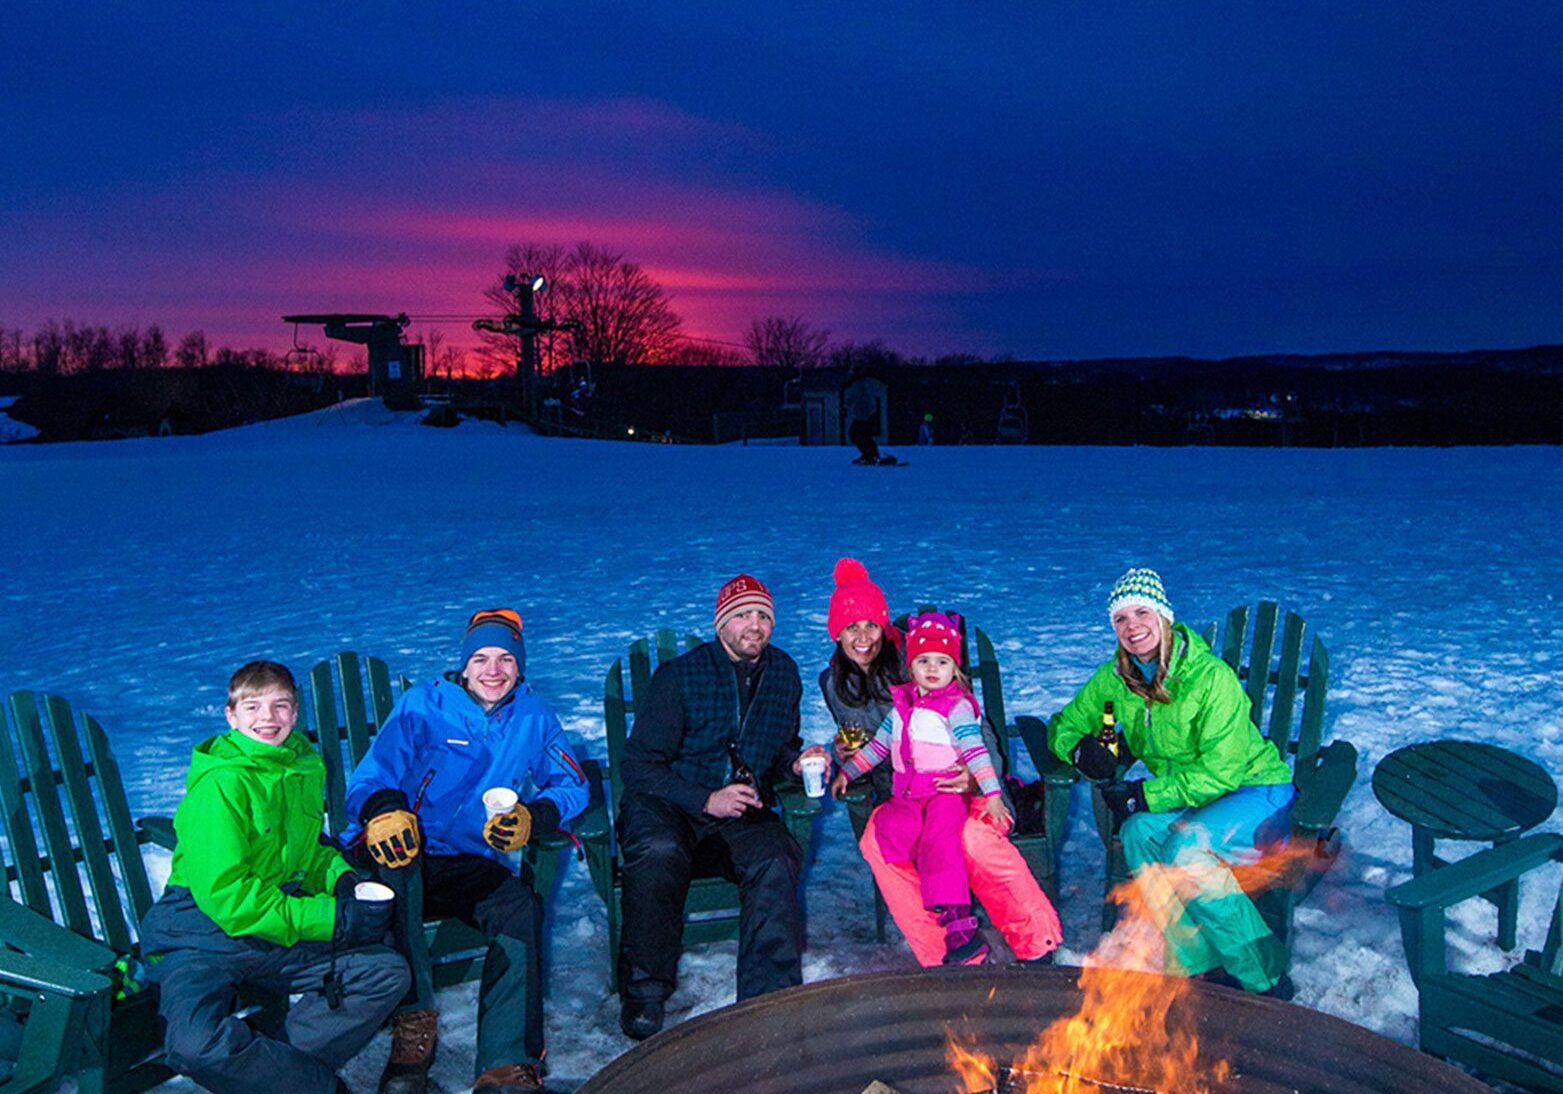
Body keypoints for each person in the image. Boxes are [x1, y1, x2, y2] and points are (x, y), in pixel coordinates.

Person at [343, 609, 590, 1093]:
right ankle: (413, 1030)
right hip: (395, 855)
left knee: (518, 906)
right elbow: (370, 777)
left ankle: (505, 1063)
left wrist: (531, 818)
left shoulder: (533, 716)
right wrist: (384, 811)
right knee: (399, 860)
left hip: (462, 862)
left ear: (519, 666)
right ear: (464, 665)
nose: (492, 670)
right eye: (480, 659)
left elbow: (573, 784)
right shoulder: (423, 706)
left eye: (504, 659)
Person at [137, 661, 410, 1094]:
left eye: (280, 705)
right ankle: (314, 1086)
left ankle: (276, 1077)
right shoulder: (220, 787)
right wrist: (333, 919)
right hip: (199, 934)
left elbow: (309, 851)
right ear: (231, 716)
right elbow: (229, 897)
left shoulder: (299, 765)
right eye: (253, 707)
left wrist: (341, 880)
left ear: (295, 712)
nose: (268, 718)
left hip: (269, 926)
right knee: (193, 1045)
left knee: (384, 974)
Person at [1050, 567, 1297, 996]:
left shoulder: (1210, 678)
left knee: (1186, 848)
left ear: (1163, 615)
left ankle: (1266, 974)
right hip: (1198, 798)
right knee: (1139, 832)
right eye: (1121, 619)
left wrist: (1146, 792)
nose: (1132, 627)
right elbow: (1064, 724)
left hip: (1257, 794)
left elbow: (1224, 772)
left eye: (1141, 612)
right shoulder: (1116, 679)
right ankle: (1200, 962)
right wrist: (1077, 750)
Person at [615, 574, 828, 1040]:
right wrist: (705, 799)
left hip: (737, 812)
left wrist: (797, 762)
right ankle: (645, 992)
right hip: (667, 804)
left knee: (775, 856)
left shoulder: (783, 674)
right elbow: (638, 766)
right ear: (721, 624)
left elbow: (780, 747)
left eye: (763, 616)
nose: (754, 625)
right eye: (743, 615)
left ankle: (767, 996)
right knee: (658, 852)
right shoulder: (680, 677)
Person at [820, 559, 1061, 967]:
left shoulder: (919, 662)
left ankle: (1036, 942)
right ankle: (947, 959)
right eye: (852, 627)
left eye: (872, 626)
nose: (863, 638)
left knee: (972, 839)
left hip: (966, 785)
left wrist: (979, 782)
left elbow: (977, 731)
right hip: (907, 796)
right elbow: (872, 740)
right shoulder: (834, 683)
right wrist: (840, 756)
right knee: (879, 843)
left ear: (885, 628)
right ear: (836, 633)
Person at [831, 606, 1016, 964]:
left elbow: (977, 751)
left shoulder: (957, 707)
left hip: (945, 792)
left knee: (938, 842)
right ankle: (931, 907)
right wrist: (847, 771)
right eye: (924, 661)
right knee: (892, 827)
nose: (932, 670)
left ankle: (960, 924)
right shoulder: (900, 707)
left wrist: (990, 793)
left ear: (955, 669)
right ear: (910, 667)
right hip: (909, 794)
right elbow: (878, 748)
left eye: (942, 662)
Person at [843, 367, 888, 464]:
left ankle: (869, 455)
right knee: (865, 435)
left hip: (863, 415)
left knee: (855, 434)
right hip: (867, 414)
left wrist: (845, 405)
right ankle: (872, 454)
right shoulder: (865, 383)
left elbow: (853, 396)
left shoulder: (858, 384)